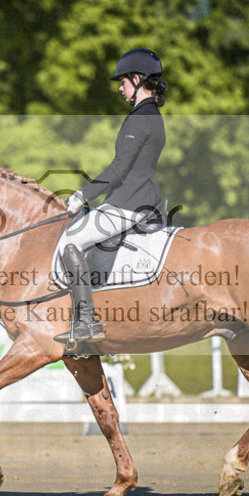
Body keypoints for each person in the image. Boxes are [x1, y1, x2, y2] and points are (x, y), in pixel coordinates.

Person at [54, 48, 167, 347]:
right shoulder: (152, 115)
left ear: (138, 79)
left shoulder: (141, 118)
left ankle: (87, 322)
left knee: (69, 242)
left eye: (123, 81)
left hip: (129, 202)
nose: (120, 88)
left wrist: (82, 195)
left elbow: (119, 169)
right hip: (138, 198)